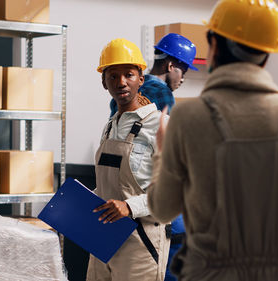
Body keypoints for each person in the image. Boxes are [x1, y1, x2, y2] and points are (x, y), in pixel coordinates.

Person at [147, 0, 278, 280]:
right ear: (265, 55)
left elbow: (162, 208)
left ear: (213, 44)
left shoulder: (188, 118)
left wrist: (162, 153)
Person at [108, 33, 198, 281]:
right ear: (171, 66)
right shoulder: (162, 93)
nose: (183, 77)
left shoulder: (125, 90)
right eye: (183, 70)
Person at [86, 38, 170, 281]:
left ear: (141, 79)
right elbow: (109, 185)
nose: (121, 82)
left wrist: (130, 206)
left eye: (129, 74)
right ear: (104, 82)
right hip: (103, 238)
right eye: (113, 76)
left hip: (140, 242)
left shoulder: (160, 125)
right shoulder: (110, 126)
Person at [110, 33, 198, 116]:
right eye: (183, 73)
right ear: (170, 66)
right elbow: (168, 130)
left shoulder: (127, 90)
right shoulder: (162, 92)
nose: (182, 79)